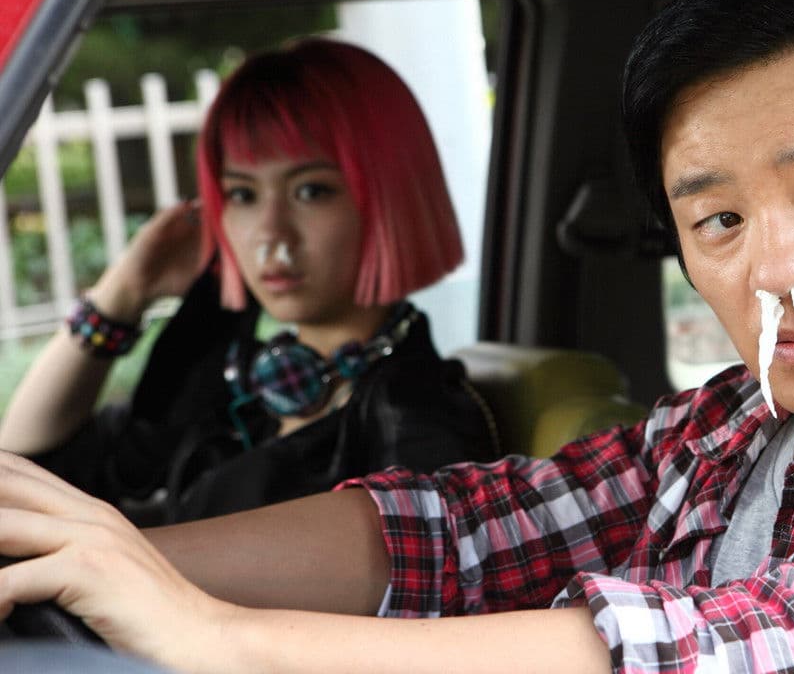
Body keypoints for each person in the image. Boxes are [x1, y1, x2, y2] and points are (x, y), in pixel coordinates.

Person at [0, 0, 794, 672]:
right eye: (718, 219)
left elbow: (750, 650)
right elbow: (461, 530)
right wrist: (109, 558)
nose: (775, 265)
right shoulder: (726, 431)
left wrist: (213, 638)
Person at [0, 39, 498, 524]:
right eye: (242, 195)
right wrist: (123, 294)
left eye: (311, 191)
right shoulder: (233, 380)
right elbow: (24, 474)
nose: (271, 234)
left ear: (392, 199)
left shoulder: (415, 423)